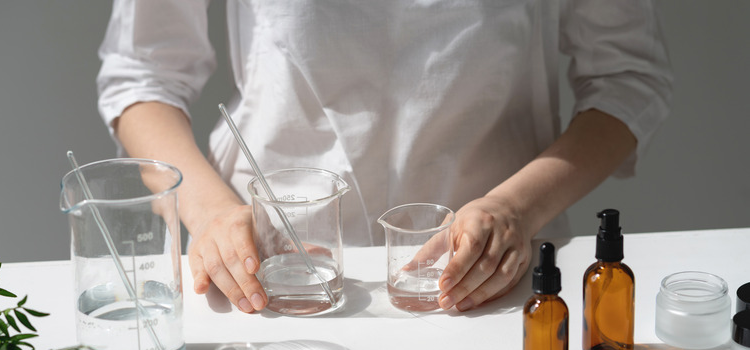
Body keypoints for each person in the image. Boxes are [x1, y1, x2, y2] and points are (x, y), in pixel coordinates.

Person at [97, 0, 673, 314]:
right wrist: (212, 214)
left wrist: (514, 209)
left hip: (488, 283)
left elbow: (627, 80)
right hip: (269, 277)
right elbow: (142, 76)